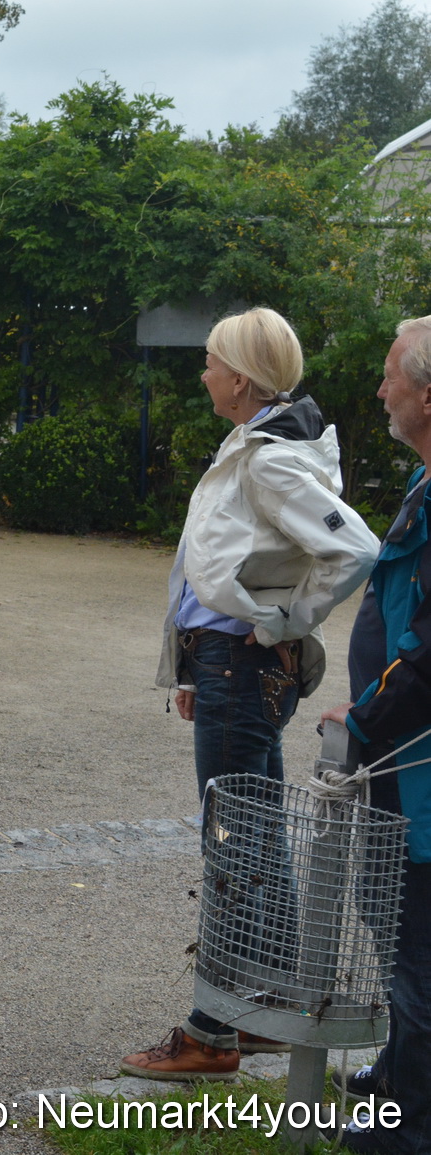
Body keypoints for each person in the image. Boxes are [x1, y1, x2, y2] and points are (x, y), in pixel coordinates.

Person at [121, 306, 380, 1081]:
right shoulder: (260, 443)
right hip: (230, 664)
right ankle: (266, 1000)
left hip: (241, 663)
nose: (202, 372)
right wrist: (195, 664)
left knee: (234, 840)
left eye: (211, 361)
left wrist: (286, 620)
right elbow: (225, 560)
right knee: (256, 833)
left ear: (239, 379)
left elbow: (355, 547)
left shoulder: (268, 458)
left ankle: (212, 1032)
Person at [319, 315, 431, 1155]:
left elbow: (426, 653)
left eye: (392, 375)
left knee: (417, 948)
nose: (381, 388)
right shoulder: (424, 481)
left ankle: (411, 1128)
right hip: (401, 762)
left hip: (418, 767)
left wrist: (361, 720)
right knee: (394, 923)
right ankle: (399, 1073)